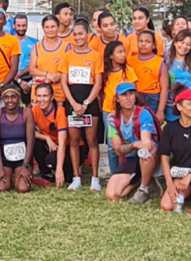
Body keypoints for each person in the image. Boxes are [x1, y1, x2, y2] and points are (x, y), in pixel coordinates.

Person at [60, 21, 104, 191]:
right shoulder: (68, 56)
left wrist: (85, 104)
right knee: (75, 140)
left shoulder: (95, 56)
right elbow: (64, 83)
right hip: (72, 102)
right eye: (75, 34)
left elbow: (98, 83)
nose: (78, 37)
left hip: (89, 103)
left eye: (81, 34)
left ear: (88, 35)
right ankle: (76, 177)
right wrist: (73, 104)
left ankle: (95, 178)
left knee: (92, 140)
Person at [105, 82, 158, 204]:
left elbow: (147, 141)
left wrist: (143, 146)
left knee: (146, 151)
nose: (128, 98)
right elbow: (118, 150)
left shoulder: (144, 113)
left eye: (131, 94)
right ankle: (139, 182)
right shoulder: (112, 118)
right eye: (124, 95)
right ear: (117, 99)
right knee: (111, 195)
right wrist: (134, 145)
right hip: (130, 157)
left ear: (136, 96)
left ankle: (144, 190)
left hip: (150, 154)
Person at [100, 40, 139, 175]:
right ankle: (114, 174)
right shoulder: (105, 72)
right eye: (119, 52)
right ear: (111, 56)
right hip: (109, 113)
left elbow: (135, 91)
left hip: (126, 112)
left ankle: (128, 172)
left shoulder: (128, 71)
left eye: (124, 51)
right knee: (112, 146)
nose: (123, 55)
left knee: (128, 141)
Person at [0, 86, 35, 193]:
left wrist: (26, 165)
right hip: (4, 159)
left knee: (22, 188)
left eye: (13, 97)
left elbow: (31, 141)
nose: (10, 100)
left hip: (22, 159)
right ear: (3, 99)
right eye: (6, 97)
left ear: (19, 98)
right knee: (1, 188)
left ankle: (19, 173)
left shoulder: (26, 112)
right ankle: (9, 175)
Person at [30, 83, 71, 187]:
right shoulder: (35, 109)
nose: (41, 99)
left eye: (45, 96)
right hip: (50, 144)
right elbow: (28, 131)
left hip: (65, 146)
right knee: (32, 141)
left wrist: (59, 170)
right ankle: (46, 173)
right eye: (39, 96)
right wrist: (46, 138)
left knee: (53, 161)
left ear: (52, 97)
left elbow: (62, 143)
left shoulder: (60, 111)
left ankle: (61, 171)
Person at [161, 31, 191, 122]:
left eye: (188, 44)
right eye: (182, 42)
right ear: (175, 43)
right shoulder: (166, 61)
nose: (184, 46)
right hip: (172, 103)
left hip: (190, 103)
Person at [28, 16, 68, 105]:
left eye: (53, 26)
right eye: (47, 27)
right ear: (43, 28)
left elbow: (69, 70)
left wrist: (57, 77)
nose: (50, 30)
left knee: (58, 117)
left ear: (58, 27)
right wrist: (48, 75)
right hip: (39, 93)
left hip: (59, 92)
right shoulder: (36, 47)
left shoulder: (67, 47)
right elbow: (32, 69)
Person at [129, 30, 165, 121]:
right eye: (141, 41)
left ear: (153, 45)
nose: (143, 44)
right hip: (135, 97)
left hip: (152, 99)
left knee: (150, 126)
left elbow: (164, 88)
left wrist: (160, 111)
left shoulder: (160, 62)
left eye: (147, 42)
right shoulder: (130, 61)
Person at [14, 14, 38, 91]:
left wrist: (19, 74)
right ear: (14, 26)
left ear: (27, 26)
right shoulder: (7, 41)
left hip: (28, 78)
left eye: (23, 25)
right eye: (19, 25)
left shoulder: (35, 43)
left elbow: (36, 62)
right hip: (10, 79)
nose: (21, 28)